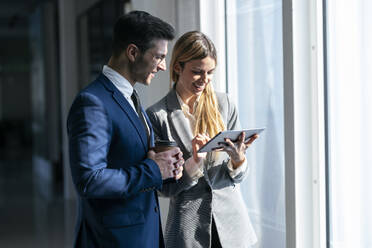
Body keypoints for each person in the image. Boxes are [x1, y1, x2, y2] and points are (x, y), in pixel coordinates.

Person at [67, 11, 184, 248]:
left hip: (142, 234)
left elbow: (129, 158)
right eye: (158, 57)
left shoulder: (131, 96)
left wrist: (167, 165)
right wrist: (153, 169)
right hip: (113, 240)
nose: (162, 66)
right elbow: (90, 180)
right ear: (132, 52)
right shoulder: (92, 102)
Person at [146, 31, 259, 248]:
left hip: (232, 227)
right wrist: (194, 163)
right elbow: (163, 189)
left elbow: (237, 176)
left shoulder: (224, 104)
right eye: (197, 72)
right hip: (187, 231)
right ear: (178, 67)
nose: (205, 80)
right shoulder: (157, 115)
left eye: (210, 73)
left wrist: (238, 161)